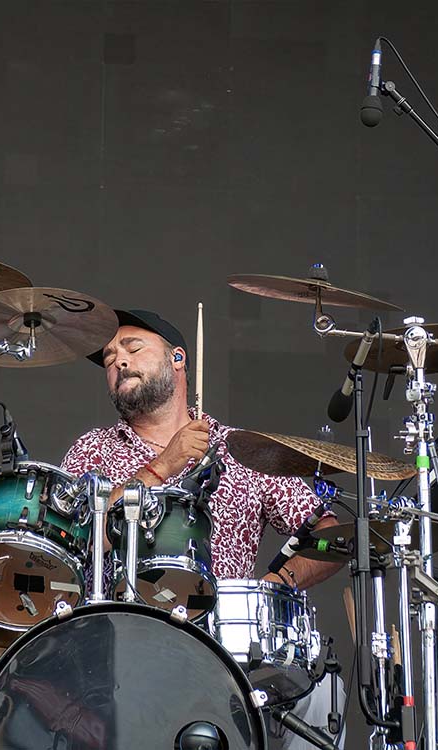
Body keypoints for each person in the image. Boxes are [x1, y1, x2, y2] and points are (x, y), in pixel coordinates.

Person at [61, 309, 346, 750]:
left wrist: (278, 583)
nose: (118, 361)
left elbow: (331, 534)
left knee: (322, 693)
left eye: (132, 348)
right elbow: (75, 539)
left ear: (178, 359)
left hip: (229, 647)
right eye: (109, 357)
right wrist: (163, 465)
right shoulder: (94, 450)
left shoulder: (242, 449)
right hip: (125, 647)